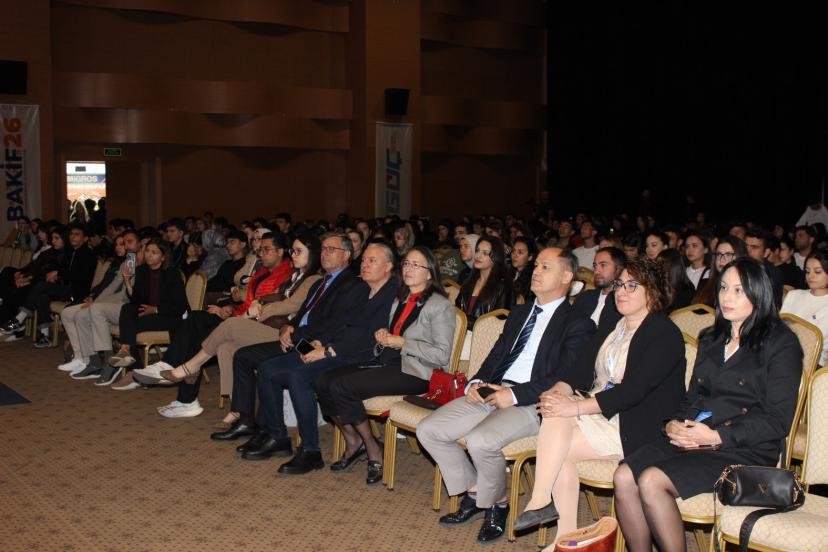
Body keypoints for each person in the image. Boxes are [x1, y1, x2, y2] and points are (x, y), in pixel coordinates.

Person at [613, 257, 802, 552]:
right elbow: (692, 397)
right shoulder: (712, 338)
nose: (727, 297)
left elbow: (777, 419)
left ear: (759, 292)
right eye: (723, 288)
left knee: (651, 481)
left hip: (744, 448)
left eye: (739, 290)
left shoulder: (780, 343)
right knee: (624, 476)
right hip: (697, 435)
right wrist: (672, 424)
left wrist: (716, 437)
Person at [417, 248, 594, 544]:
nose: (536, 271)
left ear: (566, 276)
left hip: (534, 401)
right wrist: (476, 383)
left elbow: (566, 377)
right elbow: (497, 355)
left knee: (480, 440)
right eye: (536, 265)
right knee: (429, 430)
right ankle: (480, 492)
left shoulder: (578, 323)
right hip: (493, 390)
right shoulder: (521, 313)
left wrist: (513, 395)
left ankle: (496, 505)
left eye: (546, 267)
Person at [512, 258, 686, 537]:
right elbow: (580, 369)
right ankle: (557, 525)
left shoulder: (665, 334)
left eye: (631, 286)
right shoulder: (614, 323)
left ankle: (545, 507)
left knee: (557, 446)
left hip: (636, 424)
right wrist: (556, 393)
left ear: (652, 292)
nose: (621, 292)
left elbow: (633, 391)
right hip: (600, 411)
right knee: (555, 421)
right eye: (619, 284)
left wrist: (574, 408)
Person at [248, 242, 397, 474]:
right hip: (337, 347)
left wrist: (327, 350)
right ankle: (277, 437)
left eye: (372, 261)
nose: (365, 265)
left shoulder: (391, 293)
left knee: (298, 376)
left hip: (360, 356)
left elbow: (365, 337)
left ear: (388, 266)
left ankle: (310, 451)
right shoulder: (364, 289)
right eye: (364, 260)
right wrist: (321, 342)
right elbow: (341, 324)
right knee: (268, 369)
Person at [316, 246, 455, 484]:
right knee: (322, 380)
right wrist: (384, 335)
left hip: (418, 372)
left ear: (430, 272)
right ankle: (353, 440)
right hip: (389, 362)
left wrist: (403, 342)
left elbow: (441, 355)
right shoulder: (401, 298)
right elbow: (394, 334)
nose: (409, 269)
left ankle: (372, 448)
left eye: (416, 265)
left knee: (343, 386)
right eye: (406, 264)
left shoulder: (439, 305)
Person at [131, 232, 293, 417]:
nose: (261, 253)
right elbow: (248, 300)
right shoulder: (262, 272)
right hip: (240, 317)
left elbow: (273, 304)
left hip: (258, 325)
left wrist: (241, 311)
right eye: (260, 250)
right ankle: (175, 377)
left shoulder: (286, 275)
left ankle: (185, 395)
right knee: (195, 319)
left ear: (280, 251)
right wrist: (230, 308)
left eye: (266, 250)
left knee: (198, 339)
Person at [57, 231, 139, 384]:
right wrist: (96, 300)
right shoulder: (127, 262)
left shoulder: (138, 263)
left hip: (126, 307)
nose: (126, 246)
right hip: (111, 303)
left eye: (129, 242)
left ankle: (109, 362)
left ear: (140, 244)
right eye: (124, 243)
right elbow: (111, 288)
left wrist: (96, 303)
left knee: (94, 310)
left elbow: (126, 295)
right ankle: (92, 361)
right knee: (79, 314)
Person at [106, 238, 188, 369]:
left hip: (169, 315)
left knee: (130, 326)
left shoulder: (172, 273)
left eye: (154, 252)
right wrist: (127, 282)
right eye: (147, 251)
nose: (149, 255)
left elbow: (180, 305)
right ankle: (126, 350)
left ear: (163, 257)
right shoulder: (142, 270)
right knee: (127, 308)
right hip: (149, 312)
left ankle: (133, 366)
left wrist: (155, 309)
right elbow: (136, 301)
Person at [781, 250, 828, 366]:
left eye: (817, 272)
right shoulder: (794, 295)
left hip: (814, 364)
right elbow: (779, 328)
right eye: (807, 271)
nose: (810, 276)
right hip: (784, 355)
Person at [455, 235, 513, 328]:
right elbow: (457, 308)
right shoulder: (469, 279)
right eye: (477, 250)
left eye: (485, 253)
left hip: (481, 335)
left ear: (496, 258)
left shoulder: (502, 287)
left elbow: (497, 324)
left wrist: (463, 321)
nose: (477, 256)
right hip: (460, 329)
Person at [572, 246, 625, 328]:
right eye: (595, 266)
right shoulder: (585, 297)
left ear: (619, 268)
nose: (596, 271)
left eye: (603, 265)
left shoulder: (624, 302)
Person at [692, 235, 747, 307]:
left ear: (740, 257)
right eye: (718, 254)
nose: (722, 259)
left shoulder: (746, 287)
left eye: (728, 255)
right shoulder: (704, 283)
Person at [510, 236, 537, 303]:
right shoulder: (509, 271)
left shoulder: (532, 279)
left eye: (520, 252)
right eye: (513, 251)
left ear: (530, 257)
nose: (515, 255)